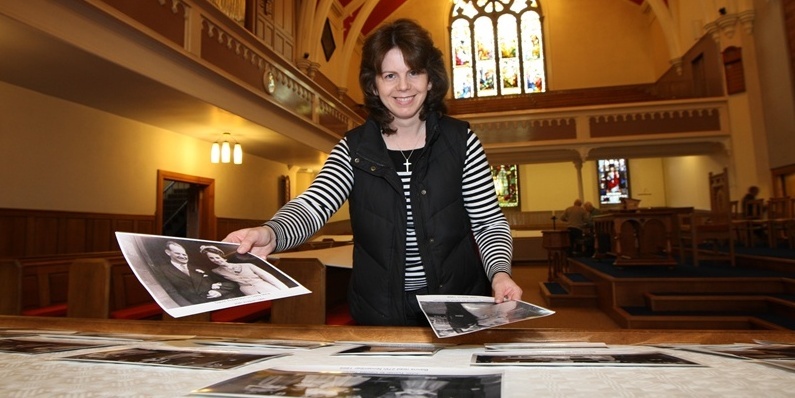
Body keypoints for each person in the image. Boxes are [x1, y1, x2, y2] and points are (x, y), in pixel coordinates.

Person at [224, 18, 522, 326]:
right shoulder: (353, 148)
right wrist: (272, 232)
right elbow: (314, 205)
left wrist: (499, 273)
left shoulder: (461, 142)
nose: (403, 86)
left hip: (455, 302)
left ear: (431, 79)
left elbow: (487, 222)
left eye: (414, 72)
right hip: (379, 311)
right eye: (390, 75)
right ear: (374, 84)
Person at [151, 240, 238, 306]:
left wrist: (219, 291)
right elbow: (171, 292)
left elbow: (230, 283)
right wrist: (187, 308)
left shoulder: (199, 268)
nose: (182, 256)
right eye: (178, 253)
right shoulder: (162, 270)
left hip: (218, 303)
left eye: (184, 254)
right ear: (168, 252)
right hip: (192, 306)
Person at [199, 245, 289, 295]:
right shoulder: (216, 271)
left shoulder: (247, 265)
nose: (216, 260)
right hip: (247, 290)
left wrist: (286, 290)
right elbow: (224, 283)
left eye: (217, 257)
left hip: (263, 285)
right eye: (212, 258)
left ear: (221, 255)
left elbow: (268, 277)